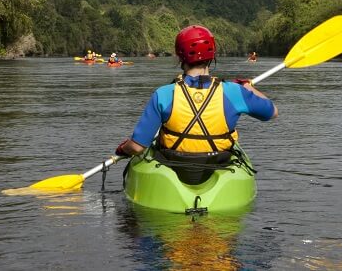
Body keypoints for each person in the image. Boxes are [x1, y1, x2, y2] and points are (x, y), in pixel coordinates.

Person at [115, 25, 277, 182]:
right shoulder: (234, 91)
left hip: (173, 162)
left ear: (180, 56)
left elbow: (137, 147)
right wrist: (248, 88)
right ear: (213, 54)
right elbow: (273, 112)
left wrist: (123, 149)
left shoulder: (164, 94)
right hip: (218, 161)